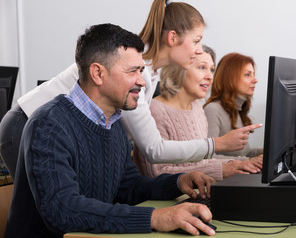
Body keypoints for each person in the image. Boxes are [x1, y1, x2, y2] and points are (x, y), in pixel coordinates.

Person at [0, 0, 261, 180]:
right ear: (172, 38)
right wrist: (215, 144)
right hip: (24, 122)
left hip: (50, 129)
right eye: (196, 41)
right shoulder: (138, 71)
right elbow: (154, 149)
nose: (199, 51)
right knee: (40, 214)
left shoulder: (148, 73)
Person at [5, 23, 216, 238]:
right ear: (98, 73)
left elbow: (128, 188)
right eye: (132, 71)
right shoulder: (49, 125)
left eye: (141, 71)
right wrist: (155, 218)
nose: (141, 82)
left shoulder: (113, 124)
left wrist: (178, 183)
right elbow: (63, 210)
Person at [134, 45, 261, 180]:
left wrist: (236, 164)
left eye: (212, 70)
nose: (210, 77)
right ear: (179, 69)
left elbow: (204, 162)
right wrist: (224, 168)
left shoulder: (197, 108)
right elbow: (158, 172)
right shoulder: (155, 110)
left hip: (196, 190)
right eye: (202, 67)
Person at [203, 53, 263, 166]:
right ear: (229, 78)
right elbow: (207, 157)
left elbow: (244, 153)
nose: (255, 80)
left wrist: (265, 153)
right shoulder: (213, 110)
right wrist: (247, 162)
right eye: (247, 75)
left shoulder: (236, 110)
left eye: (253, 74)